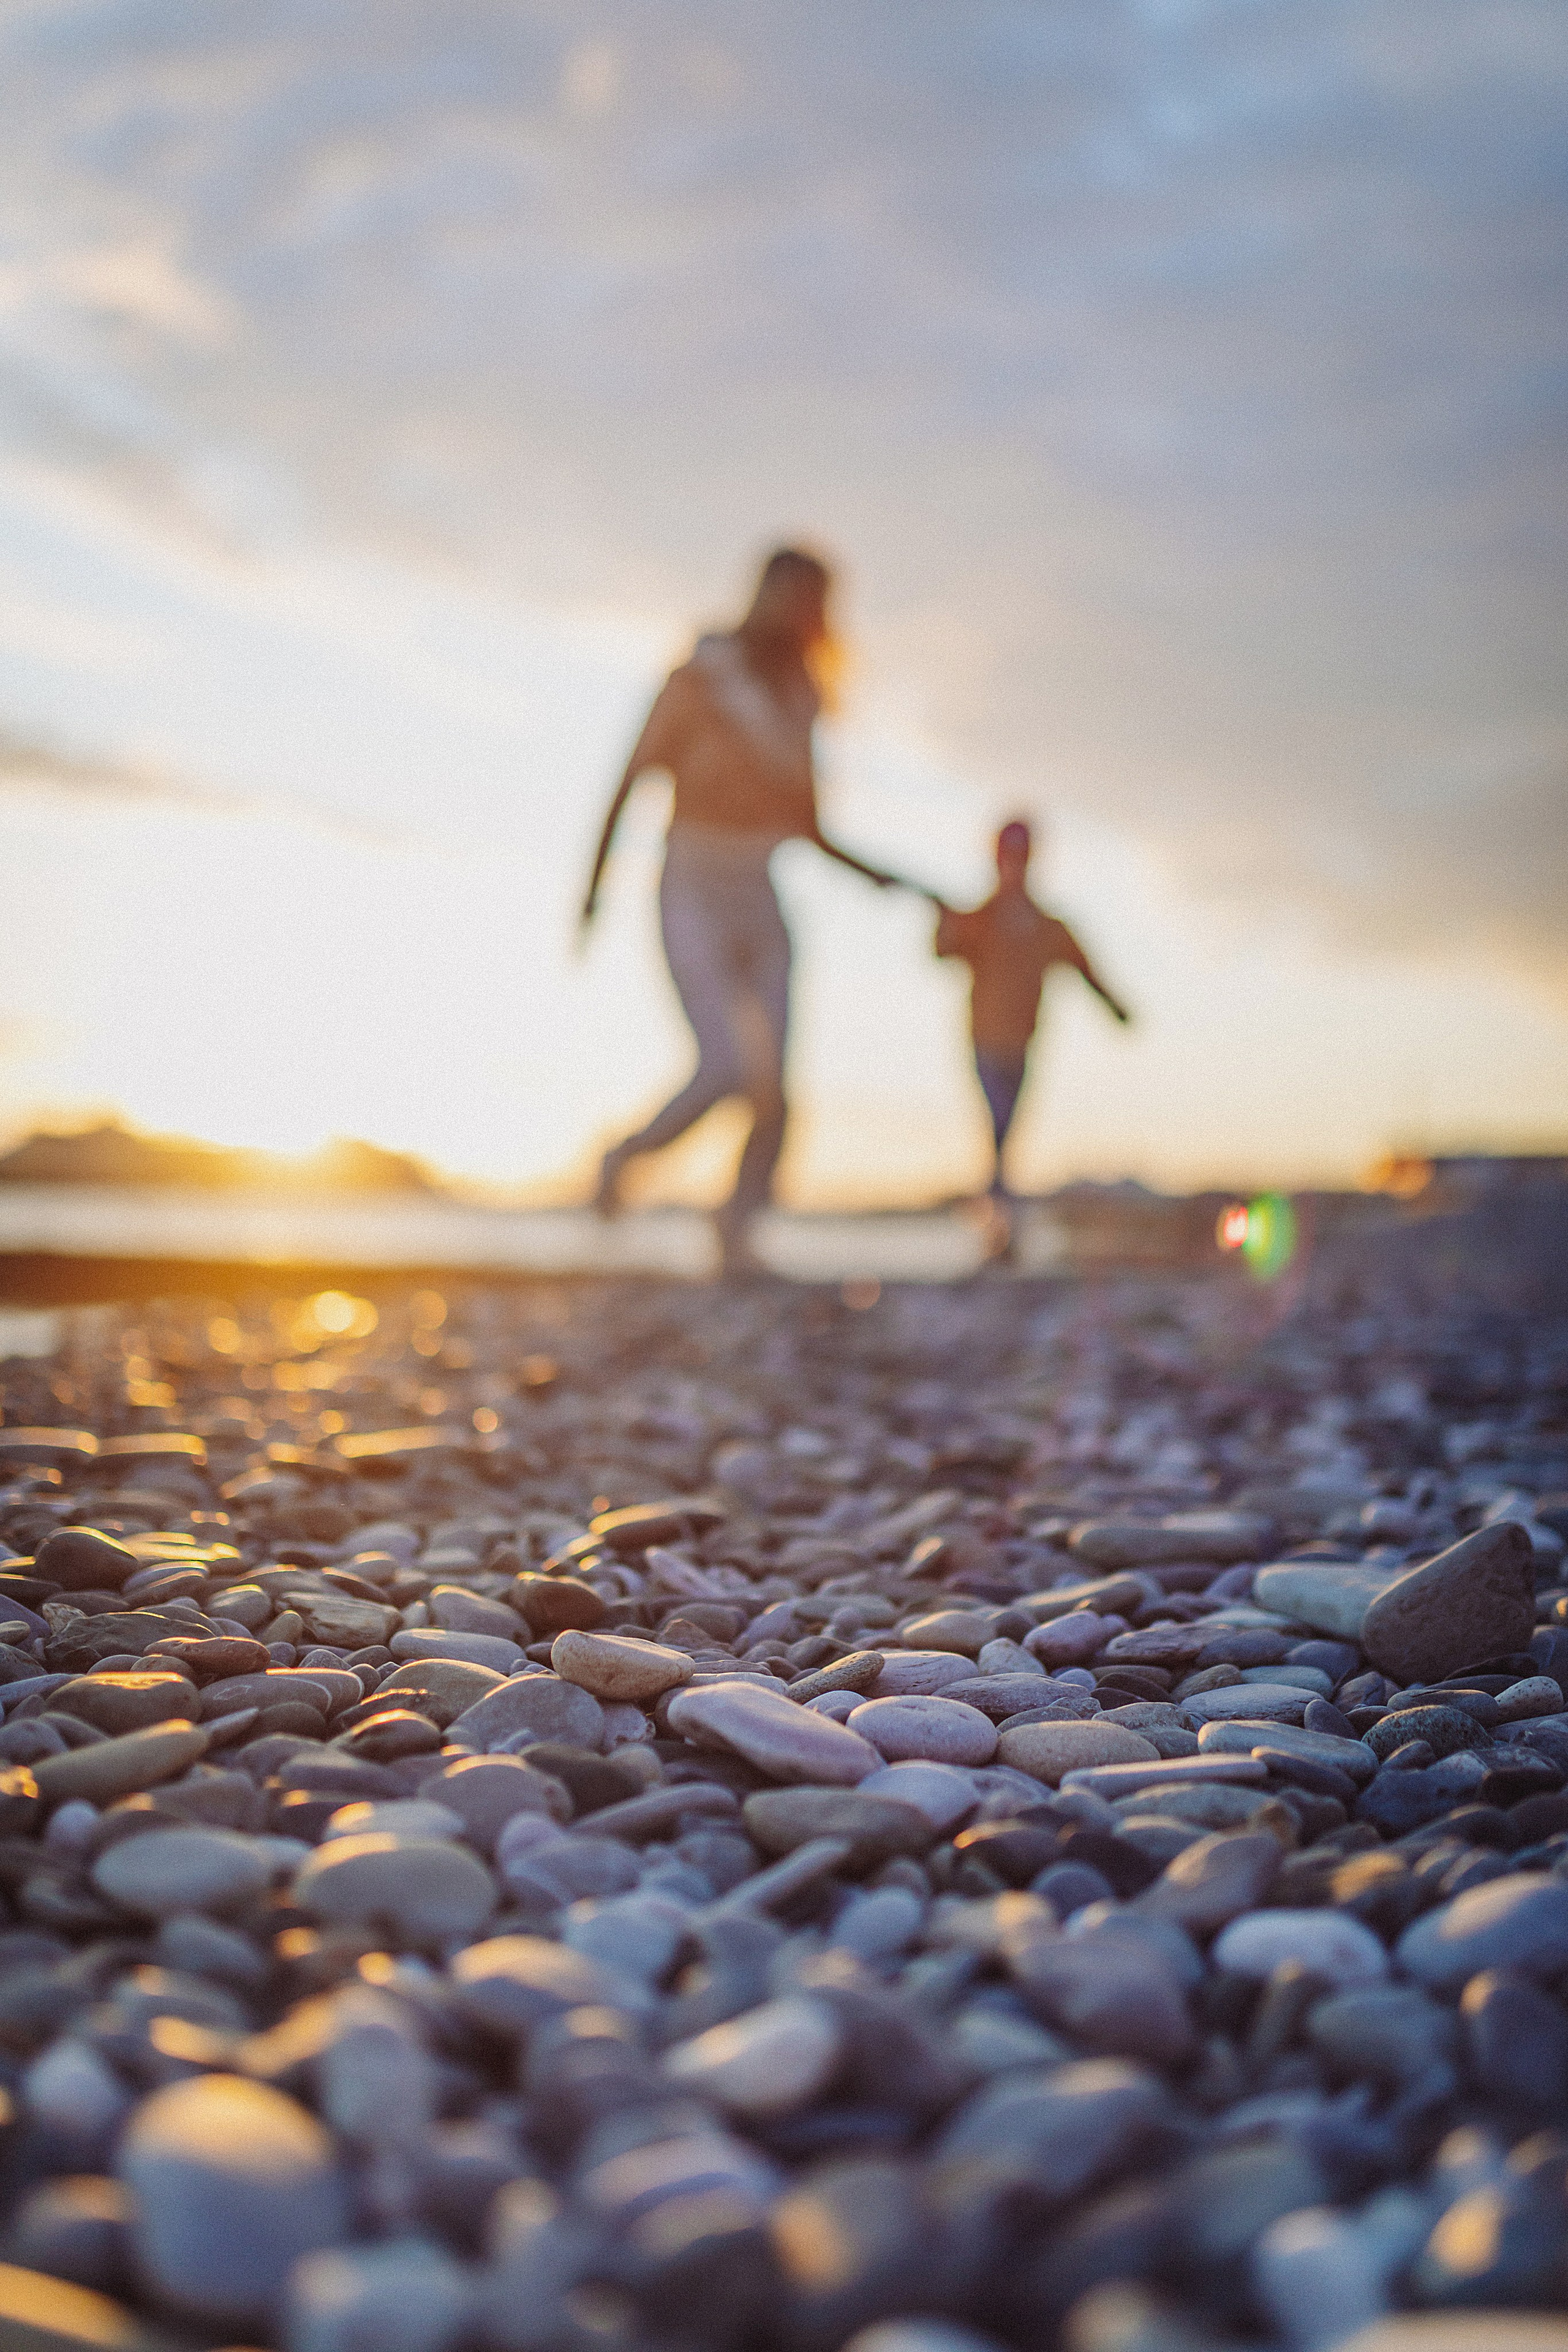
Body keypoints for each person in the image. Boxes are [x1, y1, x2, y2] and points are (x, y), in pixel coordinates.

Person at [580, 548, 902, 1273]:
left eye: (812, 602)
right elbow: (629, 781)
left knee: (777, 1091)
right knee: (724, 1065)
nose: (796, 613)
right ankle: (624, 1158)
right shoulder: (699, 678)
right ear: (761, 592)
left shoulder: (802, 697)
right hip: (690, 878)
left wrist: (879, 876)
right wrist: (591, 894)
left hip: (760, 890)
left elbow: (809, 824)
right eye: (788, 595)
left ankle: (737, 1231)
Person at [933, 818, 1130, 1208]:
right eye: (1008, 857)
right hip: (984, 1042)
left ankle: (998, 1209)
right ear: (996, 859)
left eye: (1020, 858)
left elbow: (1083, 967)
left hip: (1022, 1044)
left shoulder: (1047, 927)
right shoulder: (980, 919)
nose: (1013, 866)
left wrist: (1114, 1006)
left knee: (1006, 1136)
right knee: (1000, 1126)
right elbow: (942, 951)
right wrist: (945, 923)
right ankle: (998, 1209)